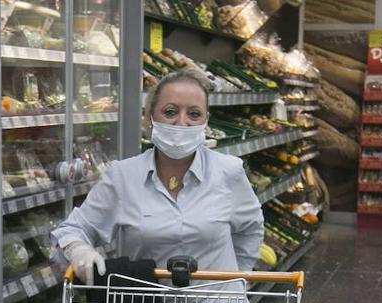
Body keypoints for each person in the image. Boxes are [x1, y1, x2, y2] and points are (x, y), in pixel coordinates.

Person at [52, 68, 265, 286]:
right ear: (149, 118)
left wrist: (238, 278)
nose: (182, 123)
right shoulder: (123, 177)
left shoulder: (228, 172)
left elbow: (250, 228)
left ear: (205, 121)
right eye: (170, 112)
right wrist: (79, 250)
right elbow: (72, 229)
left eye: (194, 114)